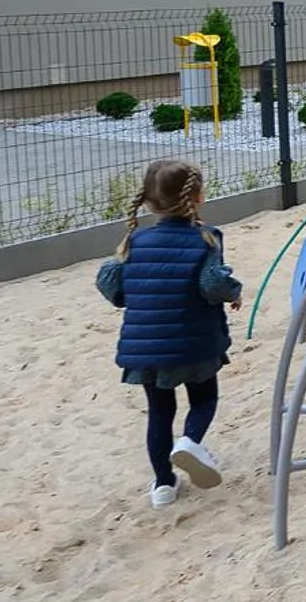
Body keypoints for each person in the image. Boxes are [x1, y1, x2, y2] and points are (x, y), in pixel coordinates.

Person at [96, 159, 240, 509]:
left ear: (146, 201)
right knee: (204, 399)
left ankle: (163, 484)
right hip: (194, 343)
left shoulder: (135, 241)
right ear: (199, 197)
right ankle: (190, 442)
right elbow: (211, 285)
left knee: (159, 412)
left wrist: (138, 294)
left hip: (147, 349)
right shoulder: (206, 239)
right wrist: (234, 291)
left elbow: (109, 283)